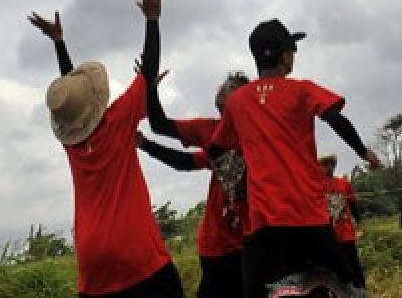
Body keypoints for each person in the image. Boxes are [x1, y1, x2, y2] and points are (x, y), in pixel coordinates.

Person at [29, 0, 182, 298]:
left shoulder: (71, 144)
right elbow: (148, 70)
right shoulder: (118, 120)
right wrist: (152, 21)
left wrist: (59, 43)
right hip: (135, 251)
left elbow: (72, 104)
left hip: (92, 262)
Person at [208, 18, 382, 298]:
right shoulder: (301, 90)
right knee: (348, 291)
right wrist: (363, 151)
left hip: (264, 225)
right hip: (309, 217)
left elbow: (216, 149)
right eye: (292, 50)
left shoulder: (237, 102)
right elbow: (336, 119)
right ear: (283, 55)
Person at [138, 70, 252, 298]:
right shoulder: (210, 131)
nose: (223, 87)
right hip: (217, 245)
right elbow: (163, 129)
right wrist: (150, 93)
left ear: (245, 99)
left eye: (231, 85)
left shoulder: (260, 135)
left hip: (251, 241)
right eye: (224, 83)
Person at [320, 155, 367, 296]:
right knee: (333, 269)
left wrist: (359, 222)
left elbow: (352, 204)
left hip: (346, 233)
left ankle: (361, 292)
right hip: (328, 235)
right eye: (325, 164)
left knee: (354, 266)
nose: (329, 167)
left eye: (331, 164)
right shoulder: (315, 185)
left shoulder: (343, 183)